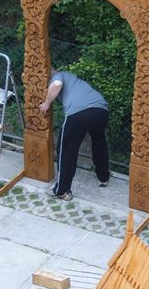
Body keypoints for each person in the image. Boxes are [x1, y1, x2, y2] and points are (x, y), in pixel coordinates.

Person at [40, 68, 110, 201]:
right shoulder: (72, 78)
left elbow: (57, 85)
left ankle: (61, 191)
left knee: (66, 150)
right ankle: (104, 178)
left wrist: (47, 103)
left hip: (78, 112)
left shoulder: (59, 76)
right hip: (101, 109)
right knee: (99, 141)